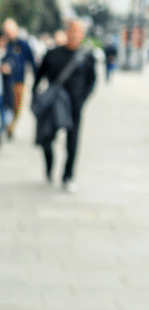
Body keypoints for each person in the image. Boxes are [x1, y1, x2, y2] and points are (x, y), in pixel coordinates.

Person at [33, 19, 96, 192]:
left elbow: (92, 81)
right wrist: (35, 96)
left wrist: (83, 99)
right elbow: (39, 77)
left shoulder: (87, 56)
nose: (75, 35)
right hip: (54, 105)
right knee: (46, 138)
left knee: (72, 142)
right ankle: (49, 165)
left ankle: (68, 176)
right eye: (72, 31)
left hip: (75, 106)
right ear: (67, 32)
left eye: (79, 32)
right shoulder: (53, 54)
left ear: (82, 35)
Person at [2, 18, 38, 137]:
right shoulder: (3, 44)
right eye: (7, 31)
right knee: (6, 104)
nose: (9, 33)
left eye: (11, 30)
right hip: (4, 82)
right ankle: (6, 123)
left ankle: (11, 125)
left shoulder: (23, 44)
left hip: (19, 81)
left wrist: (37, 78)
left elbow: (32, 62)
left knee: (18, 106)